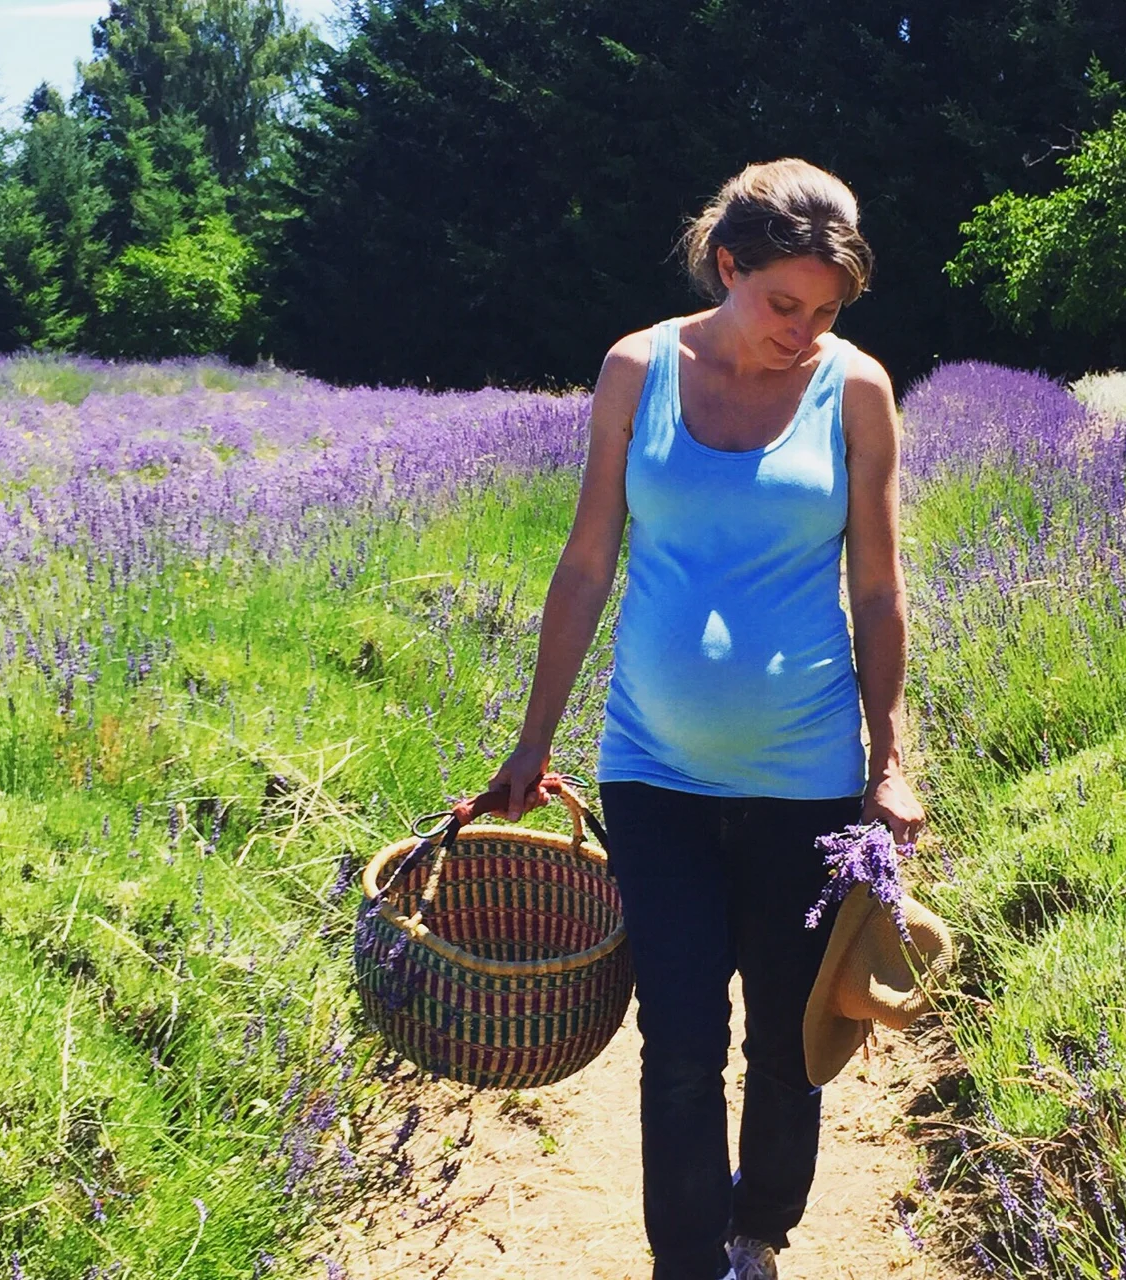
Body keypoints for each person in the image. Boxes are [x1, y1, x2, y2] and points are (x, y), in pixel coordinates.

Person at [487, 158, 925, 1280]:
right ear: (726, 267)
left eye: (824, 311)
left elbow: (876, 588)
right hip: (653, 770)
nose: (801, 330)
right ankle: (684, 1256)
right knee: (678, 1038)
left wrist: (890, 759)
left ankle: (757, 1229)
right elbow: (586, 563)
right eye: (783, 303)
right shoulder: (636, 370)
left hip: (805, 777)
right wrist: (531, 745)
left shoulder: (855, 389)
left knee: (789, 1039)